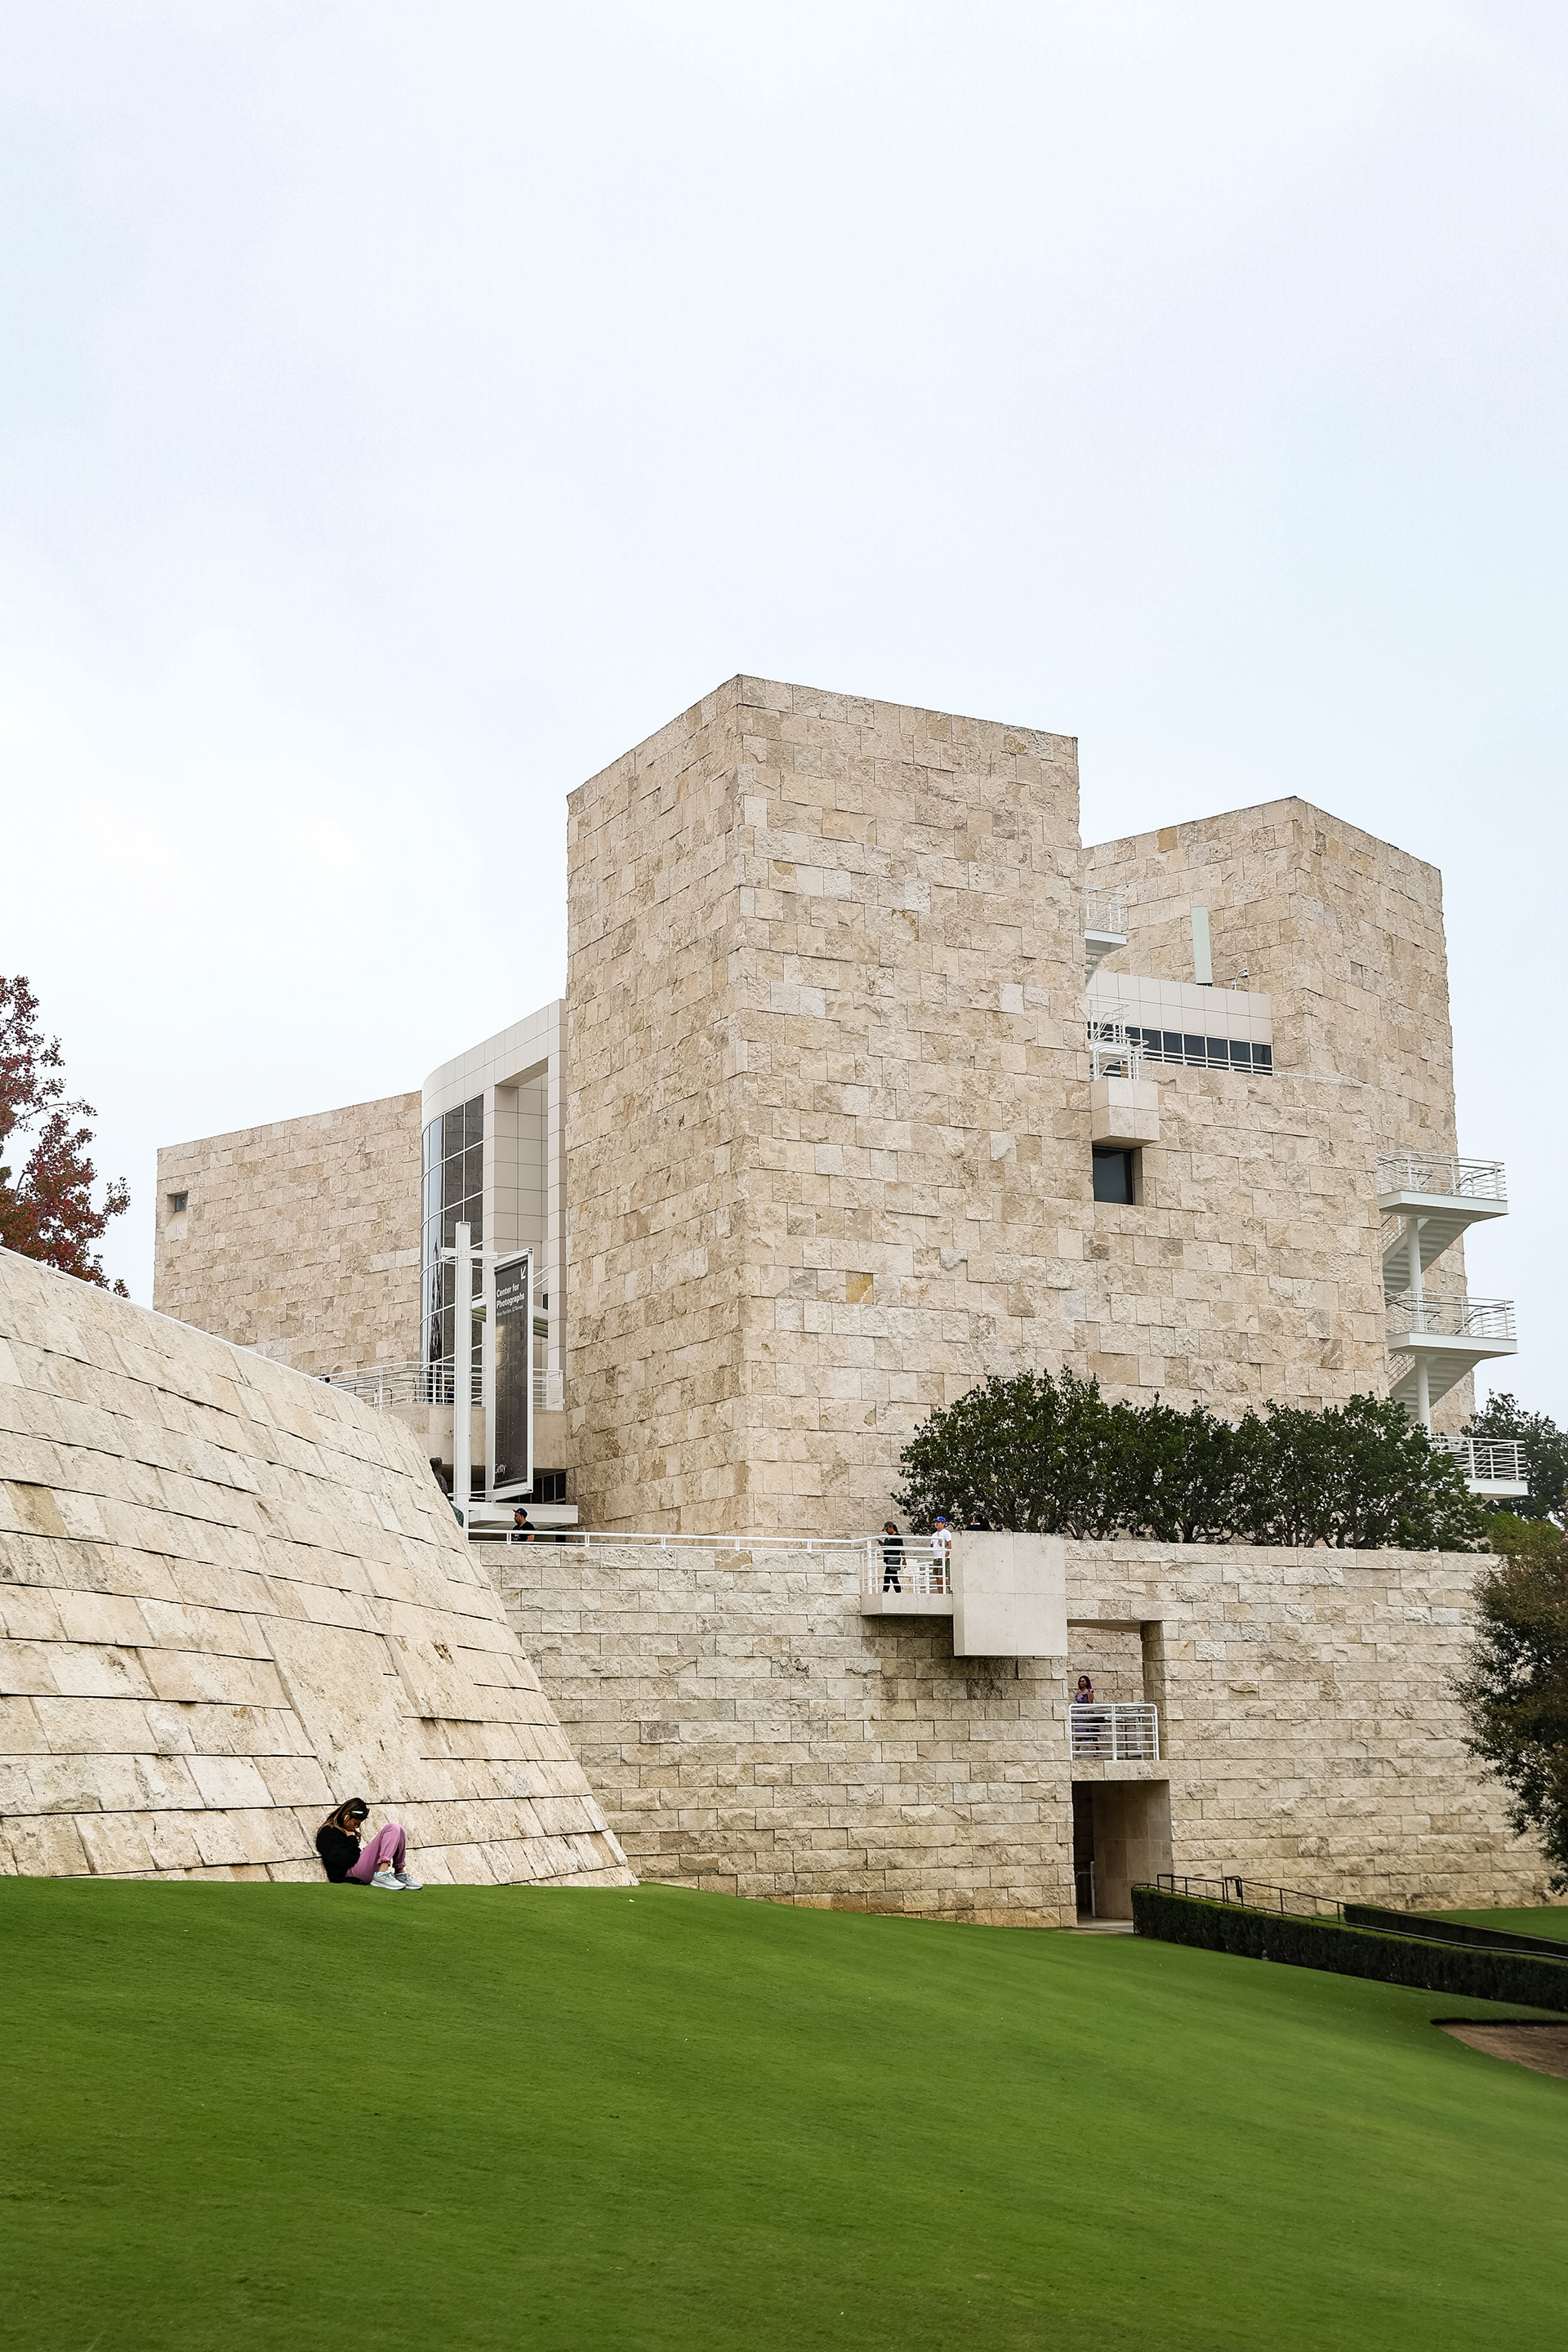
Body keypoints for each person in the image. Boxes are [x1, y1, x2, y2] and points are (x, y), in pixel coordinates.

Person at [314, 1798, 422, 1890]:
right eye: (356, 1823)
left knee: (399, 1829)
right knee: (392, 1827)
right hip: (349, 1873)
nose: (356, 1827)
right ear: (346, 1816)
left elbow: (352, 1855)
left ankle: (399, 1872)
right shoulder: (328, 1832)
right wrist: (352, 1839)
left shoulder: (345, 1832)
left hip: (357, 1870)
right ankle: (382, 1873)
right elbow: (344, 1860)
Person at [880, 1521, 903, 1592]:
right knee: (894, 1578)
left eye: (887, 1529)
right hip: (888, 1560)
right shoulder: (887, 1538)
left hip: (894, 1560)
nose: (886, 1531)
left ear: (891, 1527)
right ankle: (898, 1592)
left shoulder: (897, 1536)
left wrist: (904, 1559)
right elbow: (886, 1548)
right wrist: (882, 1544)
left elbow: (901, 1548)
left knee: (887, 1577)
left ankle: (885, 1591)